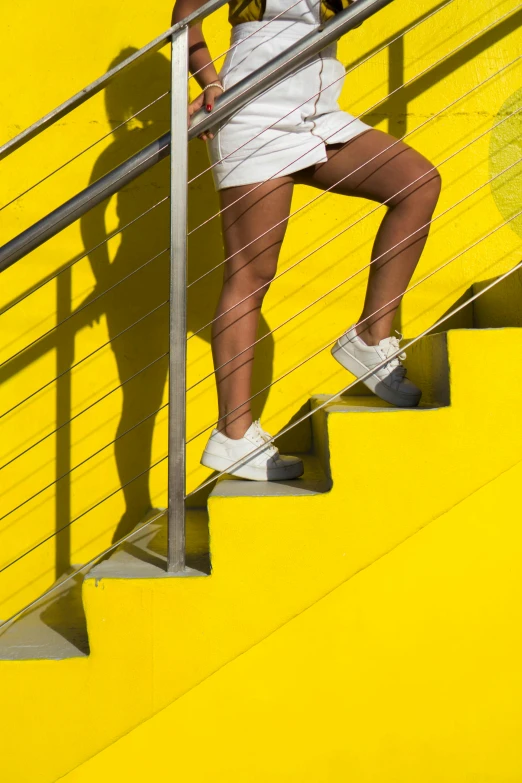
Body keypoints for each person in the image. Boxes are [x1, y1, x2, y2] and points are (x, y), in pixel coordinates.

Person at [172, 0, 441, 481]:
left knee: (416, 183)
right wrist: (211, 81)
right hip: (253, 111)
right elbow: (186, 11)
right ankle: (234, 435)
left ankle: (370, 338)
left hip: (319, 111)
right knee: (251, 275)